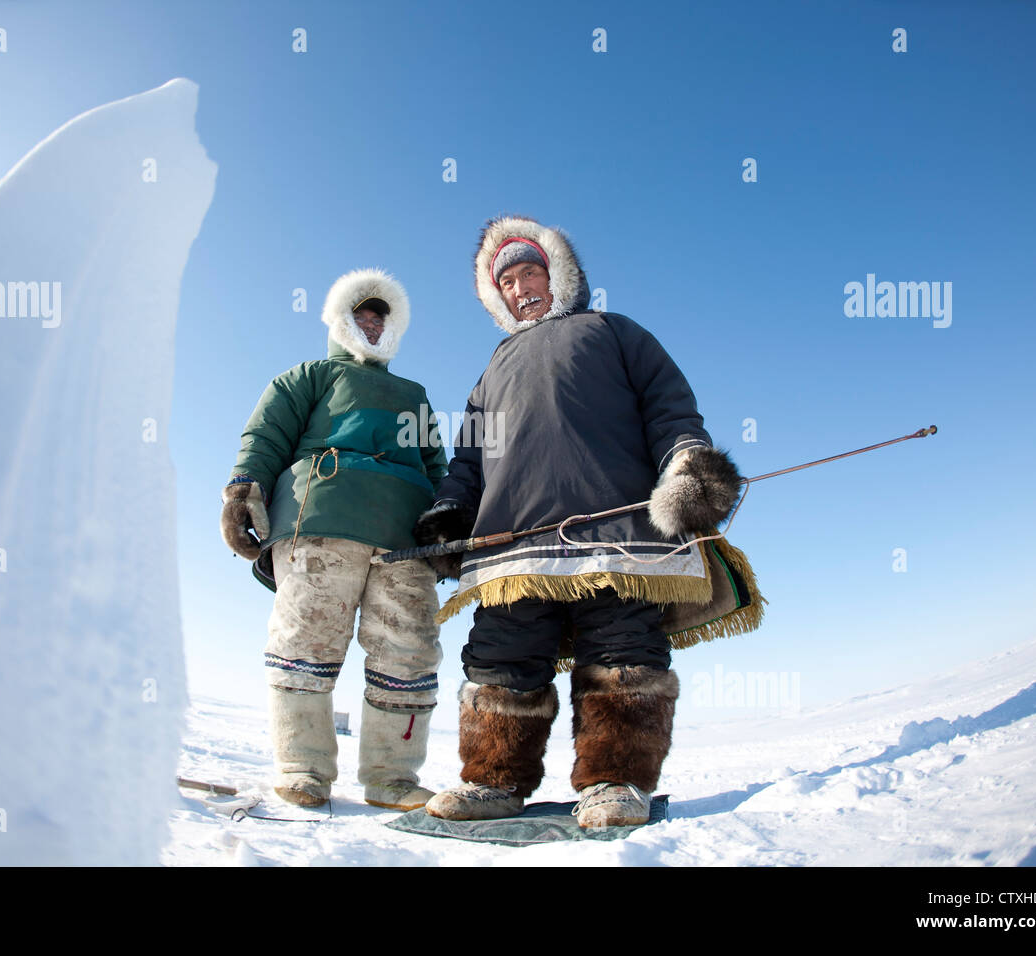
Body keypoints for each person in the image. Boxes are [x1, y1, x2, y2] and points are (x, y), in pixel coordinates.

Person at [415, 217, 751, 828]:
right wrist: (451, 514)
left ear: (558, 275)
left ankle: (615, 782)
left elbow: (670, 409)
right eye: (508, 281)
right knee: (500, 654)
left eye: (531, 273)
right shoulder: (492, 370)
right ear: (497, 297)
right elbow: (469, 460)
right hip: (514, 542)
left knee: (622, 649)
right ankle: (493, 782)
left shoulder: (615, 331)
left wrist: (688, 464)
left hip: (617, 532)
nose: (521, 288)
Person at [222, 269, 447, 810]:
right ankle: (303, 768)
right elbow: (266, 435)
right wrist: (242, 490)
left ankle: (392, 777)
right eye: (361, 315)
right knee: (307, 639)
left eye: (380, 317)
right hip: (318, 519)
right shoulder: (308, 377)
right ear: (340, 321)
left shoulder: (413, 395)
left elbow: (437, 466)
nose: (371, 324)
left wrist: (449, 521)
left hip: (405, 535)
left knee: (410, 649)